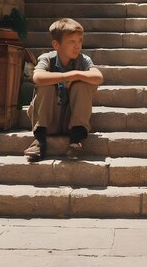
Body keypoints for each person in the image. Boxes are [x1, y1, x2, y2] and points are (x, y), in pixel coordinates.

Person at [24, 18, 103, 162]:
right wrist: (66, 76)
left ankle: (76, 140)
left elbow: (98, 77)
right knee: (46, 84)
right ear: (56, 45)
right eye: (71, 42)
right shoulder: (47, 58)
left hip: (71, 121)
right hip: (49, 120)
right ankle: (40, 141)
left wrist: (76, 75)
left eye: (79, 41)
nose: (77, 46)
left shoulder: (82, 60)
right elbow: (37, 77)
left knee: (82, 84)